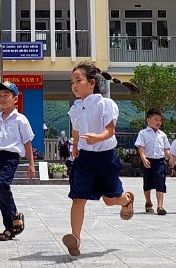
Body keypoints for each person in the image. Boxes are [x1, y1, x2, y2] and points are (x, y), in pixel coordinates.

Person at [63, 61, 134, 256]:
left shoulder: (106, 104)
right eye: (72, 82)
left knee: (110, 200)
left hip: (105, 159)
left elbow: (110, 131)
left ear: (92, 82)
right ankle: (75, 239)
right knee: (78, 197)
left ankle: (126, 200)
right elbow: (76, 130)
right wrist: (75, 146)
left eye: (78, 80)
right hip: (85, 160)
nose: (74, 85)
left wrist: (98, 138)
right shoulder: (76, 108)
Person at [0, 81, 35, 241]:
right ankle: (10, 228)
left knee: (2, 185)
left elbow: (27, 141)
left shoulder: (21, 120)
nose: (2, 98)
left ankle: (15, 215)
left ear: (15, 99)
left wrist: (31, 164)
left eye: (6, 95)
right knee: (0, 193)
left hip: (11, 157)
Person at [135, 108, 172, 215]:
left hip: (160, 162)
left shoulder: (162, 135)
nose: (158, 122)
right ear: (148, 120)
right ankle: (148, 202)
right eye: (156, 119)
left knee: (160, 182)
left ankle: (160, 206)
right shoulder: (143, 133)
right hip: (147, 161)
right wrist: (143, 158)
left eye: (160, 120)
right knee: (147, 182)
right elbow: (141, 147)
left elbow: (166, 149)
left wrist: (171, 158)